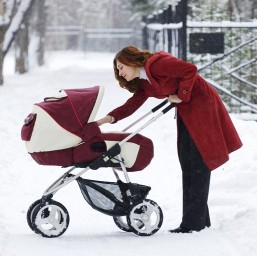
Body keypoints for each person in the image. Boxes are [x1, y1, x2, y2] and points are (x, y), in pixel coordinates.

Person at [96, 46, 242, 233]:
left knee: (198, 162)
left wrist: (181, 94)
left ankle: (192, 224)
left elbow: (190, 70)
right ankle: (200, 220)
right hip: (186, 110)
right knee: (188, 162)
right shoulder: (145, 82)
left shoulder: (157, 65)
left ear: (132, 61)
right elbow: (131, 105)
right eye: (117, 70)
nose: (120, 73)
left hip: (201, 105)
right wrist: (106, 119)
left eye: (121, 67)